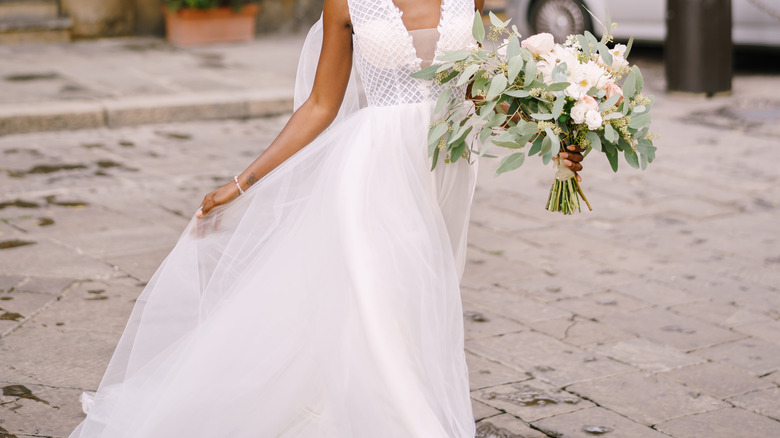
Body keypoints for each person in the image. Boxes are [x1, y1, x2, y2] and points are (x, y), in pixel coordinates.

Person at [70, 0, 583, 436]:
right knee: (379, 300)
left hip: (446, 170)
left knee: (416, 303)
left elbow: (483, 91)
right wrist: (242, 182)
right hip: (373, 174)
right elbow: (320, 105)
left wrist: (560, 127)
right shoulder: (346, 1)